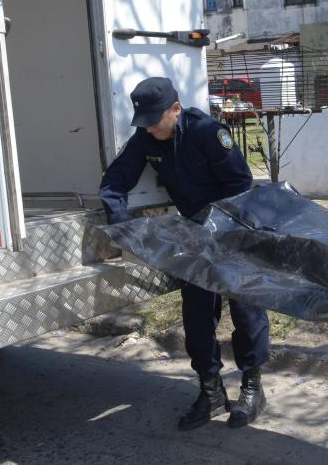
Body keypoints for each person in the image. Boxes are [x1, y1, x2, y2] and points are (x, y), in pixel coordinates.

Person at [99, 77, 270, 431]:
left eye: (154, 120)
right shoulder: (146, 138)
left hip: (233, 230)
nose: (148, 127)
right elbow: (116, 181)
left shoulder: (207, 132)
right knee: (197, 318)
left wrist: (217, 226)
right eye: (143, 121)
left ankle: (252, 387)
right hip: (194, 238)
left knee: (246, 311)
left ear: (175, 109)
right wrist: (121, 226)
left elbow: (239, 183)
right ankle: (211, 392)